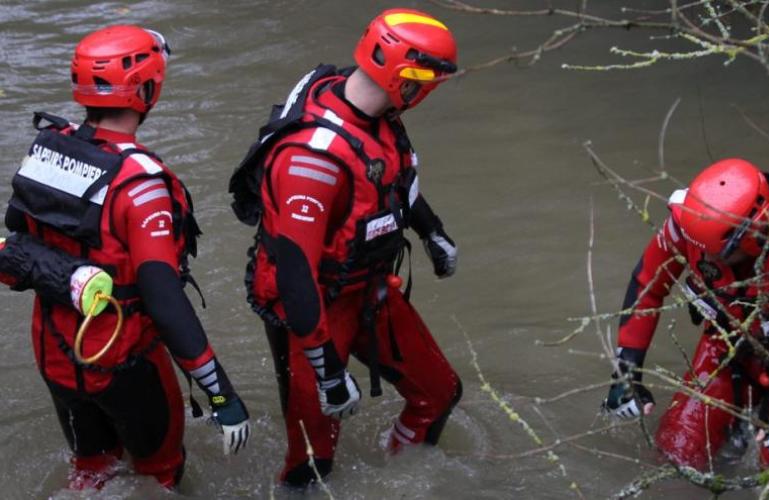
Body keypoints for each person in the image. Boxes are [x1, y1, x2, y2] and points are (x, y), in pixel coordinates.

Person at [1, 25, 250, 489]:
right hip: (122, 359)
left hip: (55, 349)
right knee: (160, 473)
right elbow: (165, 300)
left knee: (92, 470)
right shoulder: (142, 185)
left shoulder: (47, 149)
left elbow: (19, 232)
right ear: (148, 89)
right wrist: (220, 394)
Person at [229, 8, 462, 486]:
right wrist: (328, 370)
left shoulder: (373, 111)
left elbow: (394, 178)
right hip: (313, 306)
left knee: (440, 392)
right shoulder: (312, 159)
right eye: (427, 82)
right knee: (311, 461)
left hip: (367, 286)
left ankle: (402, 477)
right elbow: (296, 274)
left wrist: (431, 230)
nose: (428, 95)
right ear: (406, 78)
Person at [603, 158, 769, 470]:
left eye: (717, 253)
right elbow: (647, 285)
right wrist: (626, 373)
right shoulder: (689, 226)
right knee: (677, 449)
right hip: (729, 342)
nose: (704, 258)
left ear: (753, 234)